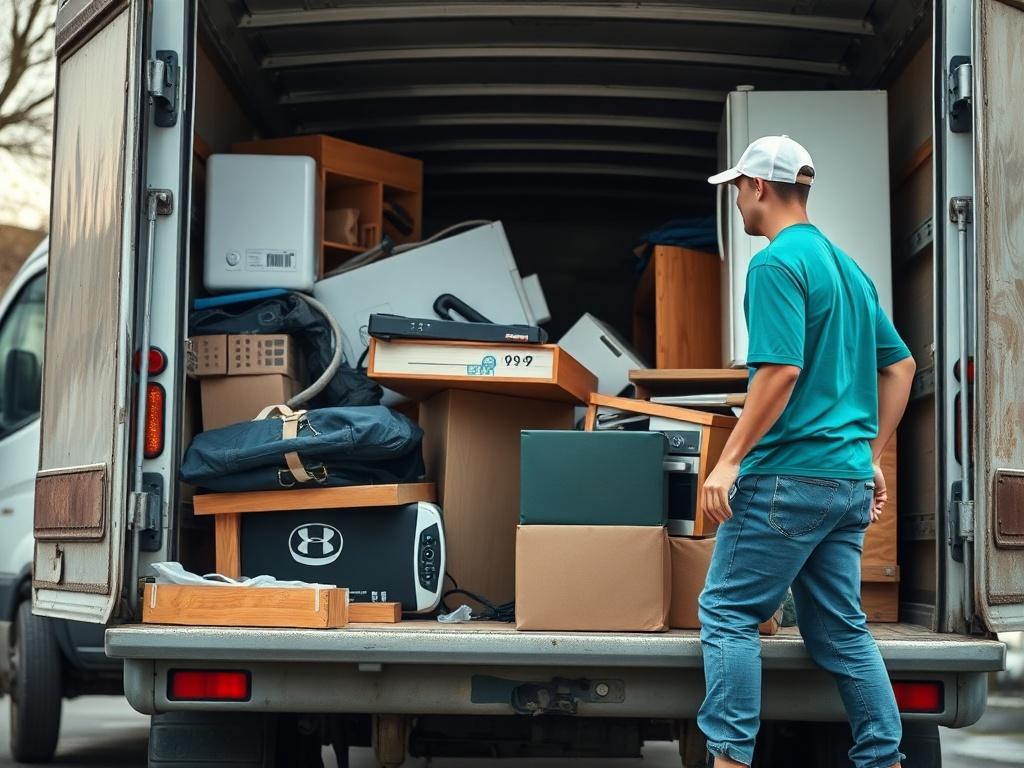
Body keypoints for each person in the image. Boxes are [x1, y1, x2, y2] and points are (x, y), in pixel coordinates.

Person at [699, 135, 916, 768]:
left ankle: (729, 760)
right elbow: (900, 368)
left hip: (786, 480)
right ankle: (883, 759)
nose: (737, 202)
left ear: (758, 187)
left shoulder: (774, 264)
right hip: (846, 484)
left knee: (729, 610)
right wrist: (869, 455)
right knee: (839, 631)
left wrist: (730, 459)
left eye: (737, 189)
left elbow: (780, 371)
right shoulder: (849, 270)